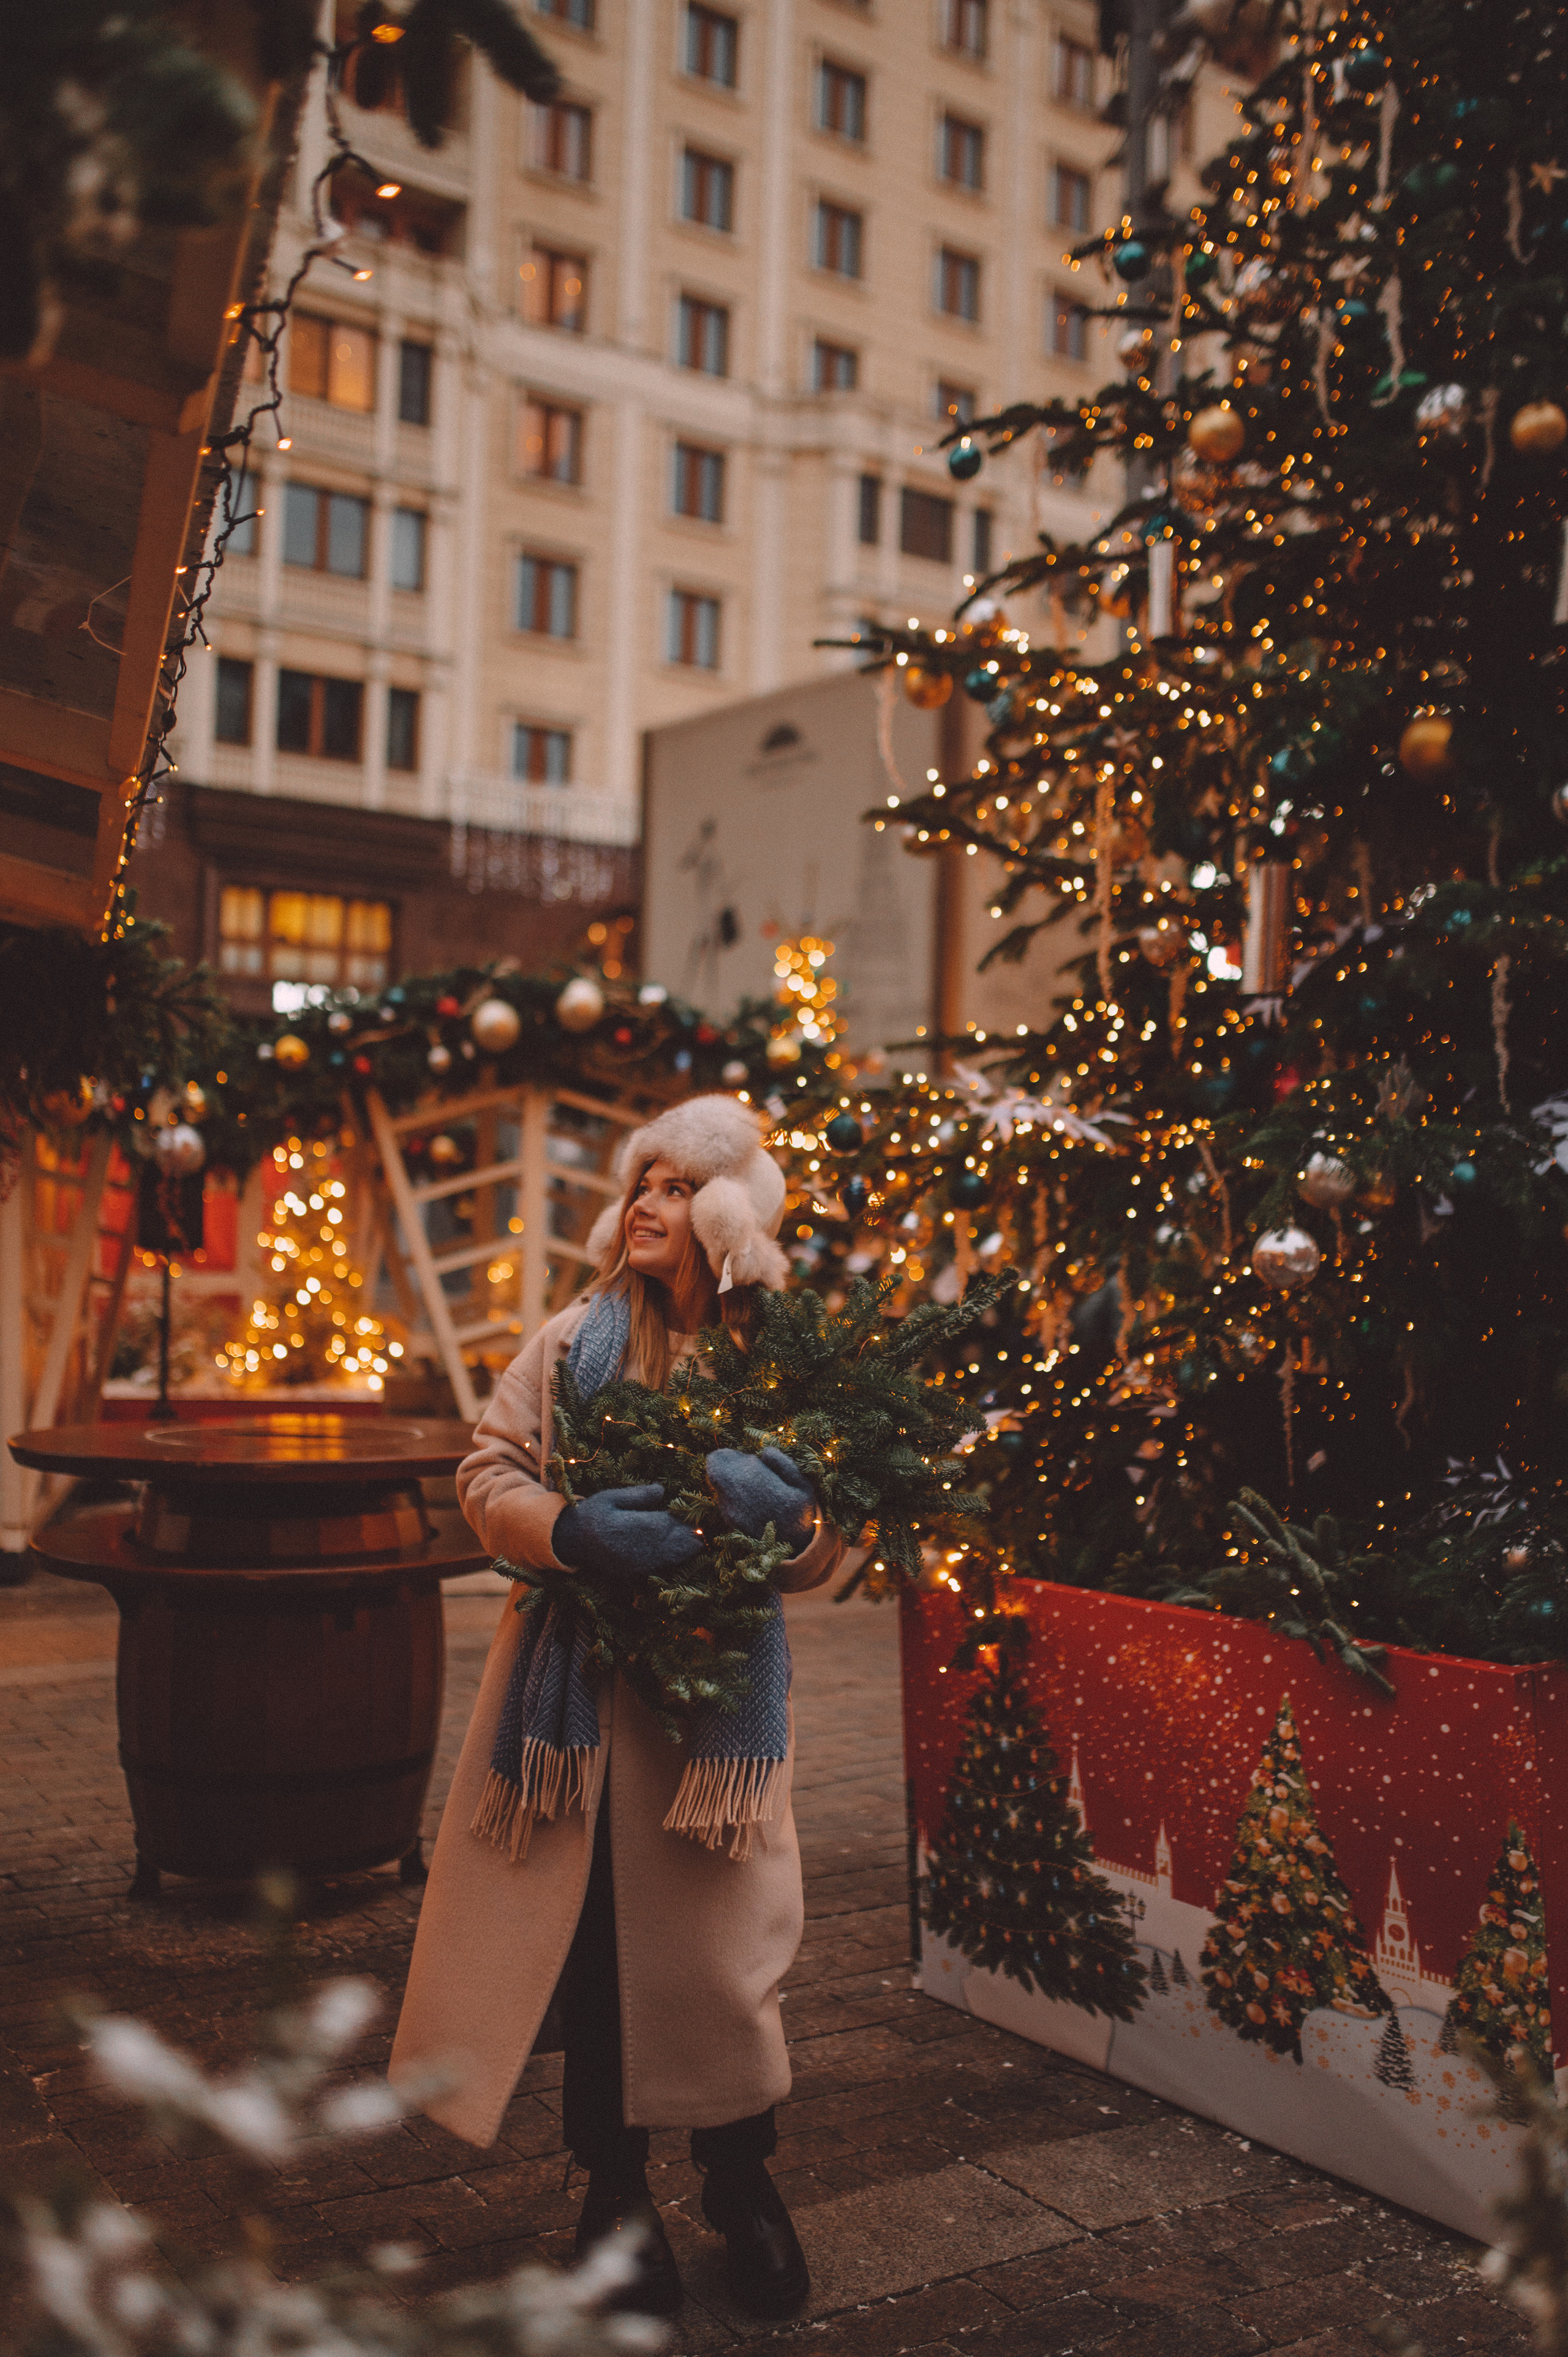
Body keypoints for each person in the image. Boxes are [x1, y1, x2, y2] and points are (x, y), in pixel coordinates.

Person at [391, 1094, 842, 2320]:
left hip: (714, 1727)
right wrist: (566, 1529)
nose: (646, 1202)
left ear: (731, 1214)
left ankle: (741, 2182)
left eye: (678, 1185)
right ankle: (612, 2197)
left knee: (724, 1963)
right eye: (641, 1181)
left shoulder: (779, 1360)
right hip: (578, 1704)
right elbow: (486, 1469)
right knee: (596, 1961)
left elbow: (840, 1540)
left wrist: (793, 1519)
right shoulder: (573, 1338)